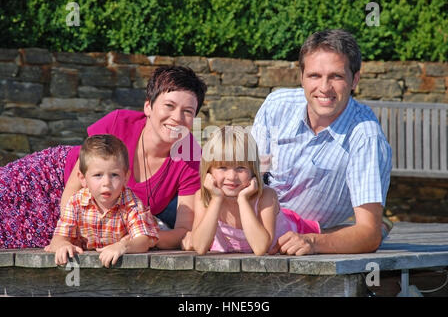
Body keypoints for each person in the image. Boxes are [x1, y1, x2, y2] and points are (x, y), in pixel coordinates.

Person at [0, 65, 206, 250]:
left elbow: (182, 231)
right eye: (169, 106)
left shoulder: (191, 157)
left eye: (187, 111)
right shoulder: (118, 123)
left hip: (101, 222)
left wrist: (139, 238)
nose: (177, 118)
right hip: (54, 179)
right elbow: (73, 187)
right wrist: (76, 232)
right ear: (148, 107)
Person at [251, 29, 392, 256]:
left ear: (354, 79)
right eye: (314, 76)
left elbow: (368, 234)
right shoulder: (277, 105)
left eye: (336, 76)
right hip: (256, 225)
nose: (324, 87)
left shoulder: (365, 136)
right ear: (301, 77)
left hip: (299, 236)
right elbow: (248, 175)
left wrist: (313, 242)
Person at [189, 126, 320, 256]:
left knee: (325, 232)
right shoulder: (204, 197)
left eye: (240, 168)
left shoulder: (266, 196)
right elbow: (200, 247)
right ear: (209, 171)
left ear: (253, 170)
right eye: (223, 168)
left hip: (297, 233)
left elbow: (260, 247)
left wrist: (243, 200)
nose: (232, 177)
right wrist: (216, 200)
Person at [44, 134, 159, 267]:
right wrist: (62, 245)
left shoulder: (131, 204)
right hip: (90, 263)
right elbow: (58, 238)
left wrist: (123, 246)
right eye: (98, 175)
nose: (106, 183)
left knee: (155, 237)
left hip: (124, 263)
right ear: (82, 179)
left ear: (126, 177)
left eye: (114, 175)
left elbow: (143, 241)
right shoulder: (76, 202)